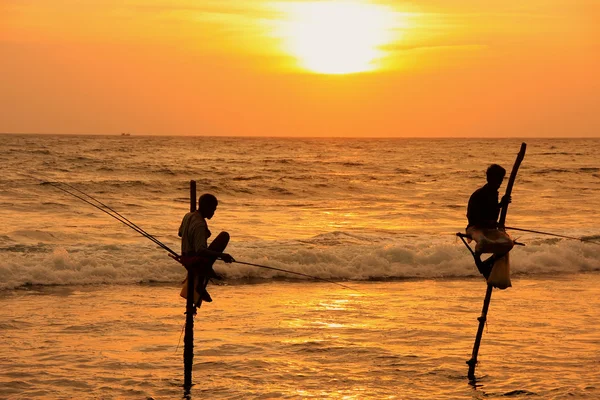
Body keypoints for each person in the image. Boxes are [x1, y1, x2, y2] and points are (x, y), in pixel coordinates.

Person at [178, 193, 234, 304]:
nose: (214, 212)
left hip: (185, 256)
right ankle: (200, 284)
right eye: (213, 209)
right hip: (195, 260)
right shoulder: (200, 224)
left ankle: (205, 274)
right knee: (224, 236)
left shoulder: (188, 216)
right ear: (206, 207)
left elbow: (180, 233)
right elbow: (201, 250)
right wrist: (222, 255)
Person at [466, 164, 511, 277]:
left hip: (489, 229)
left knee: (508, 243)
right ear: (489, 179)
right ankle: (480, 263)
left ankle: (488, 263)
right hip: (475, 228)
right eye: (498, 180)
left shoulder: (494, 194)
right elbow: (473, 217)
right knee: (483, 243)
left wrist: (501, 204)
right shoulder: (480, 194)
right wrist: (488, 221)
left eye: (501, 180)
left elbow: (493, 213)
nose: (500, 183)